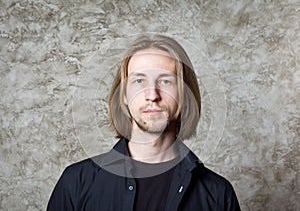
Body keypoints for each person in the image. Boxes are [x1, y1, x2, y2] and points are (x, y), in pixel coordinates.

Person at [47, 34, 240, 210]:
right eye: (139, 81)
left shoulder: (218, 194)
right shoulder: (76, 182)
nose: (152, 95)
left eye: (165, 81)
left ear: (184, 95)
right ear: (123, 95)